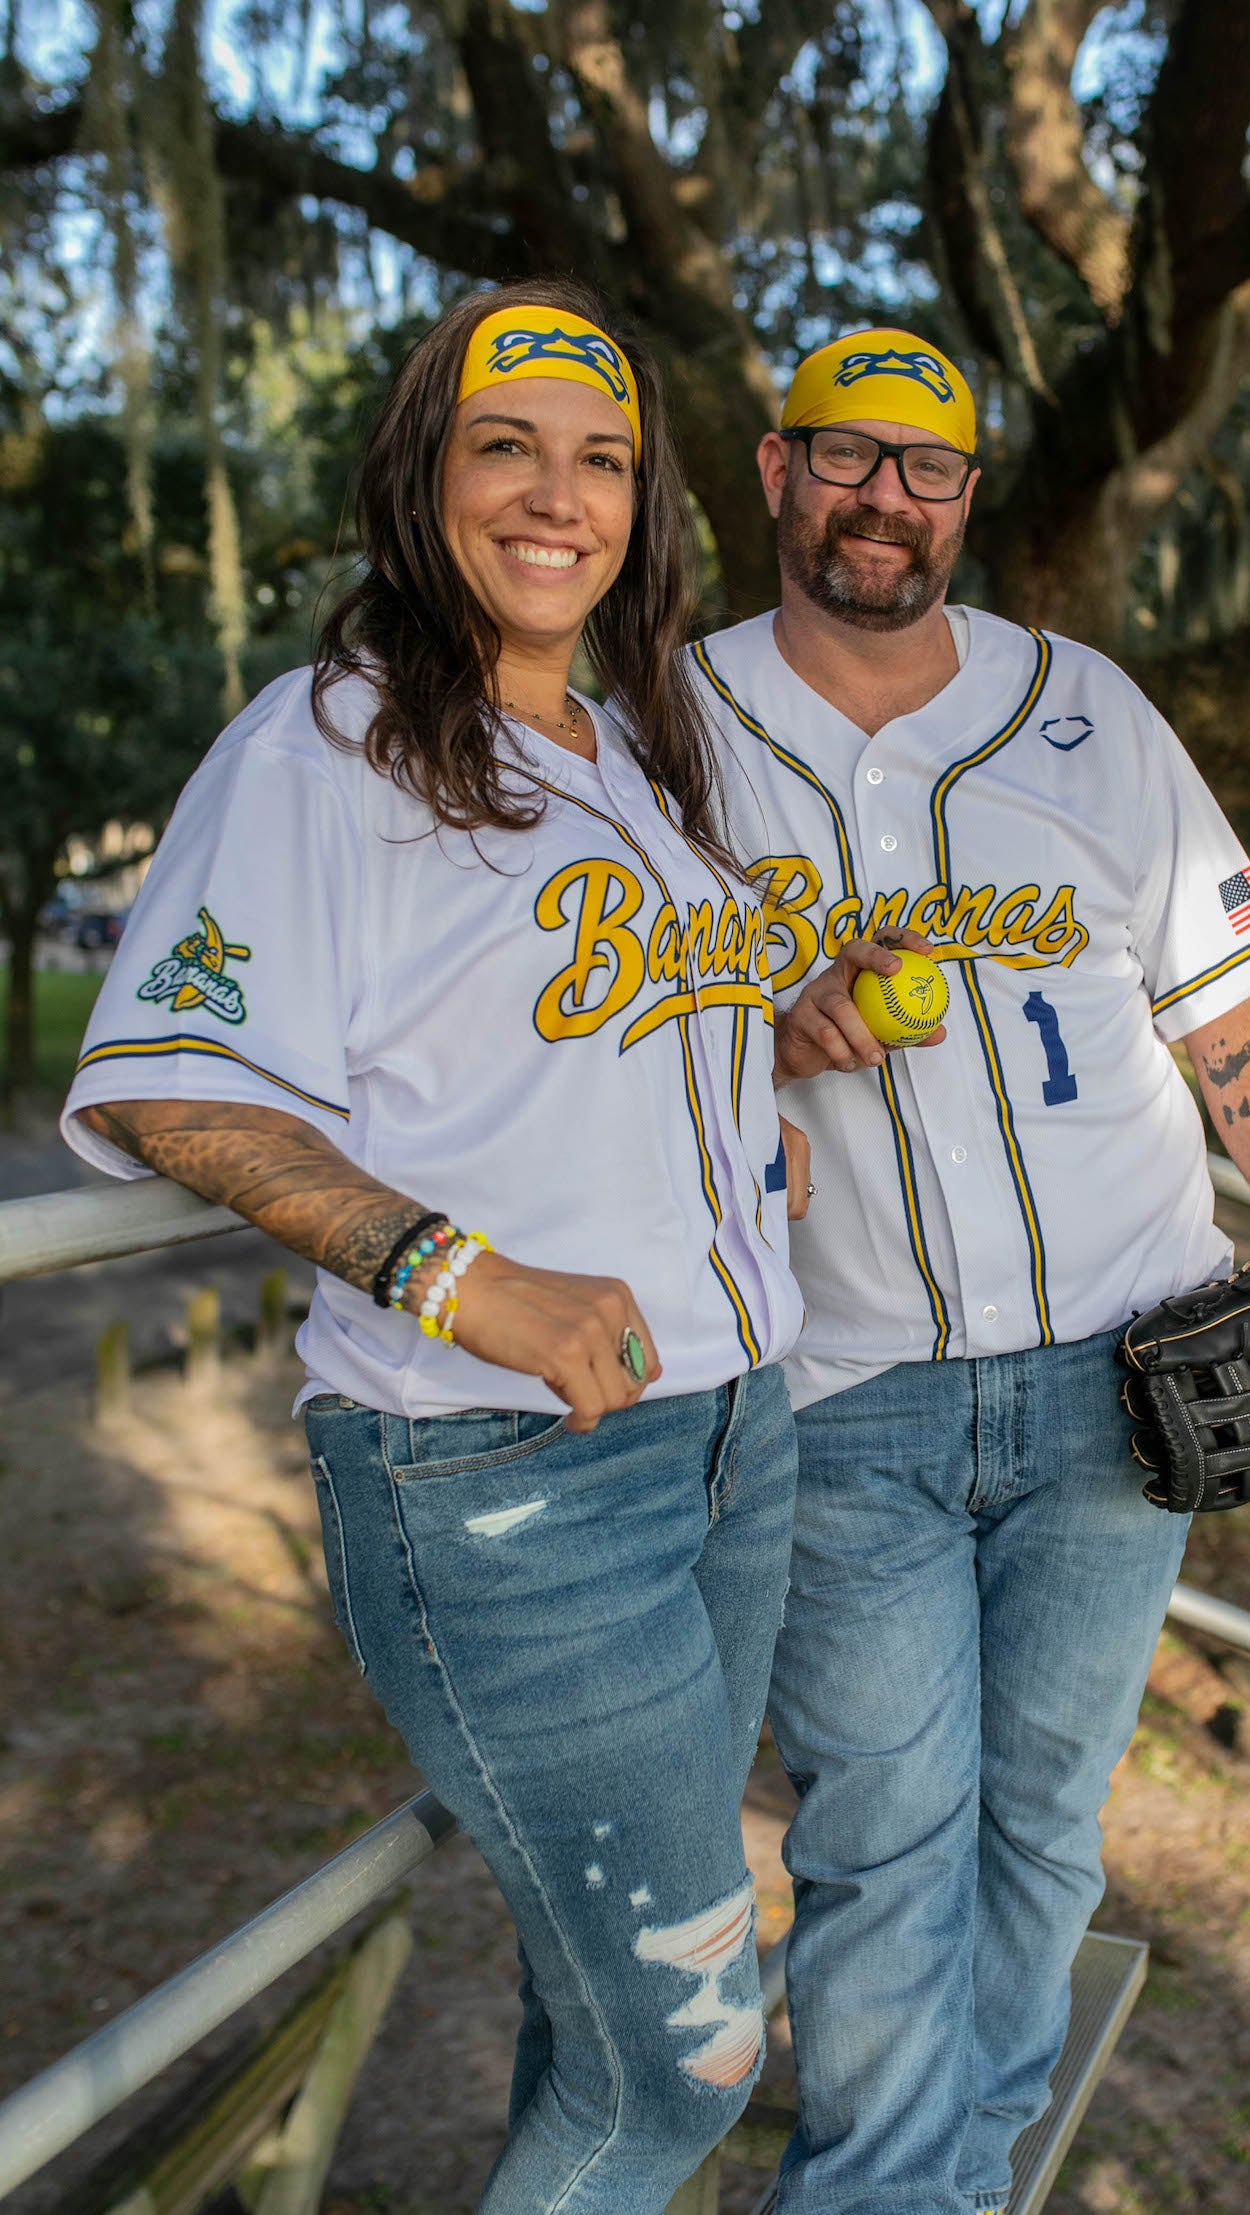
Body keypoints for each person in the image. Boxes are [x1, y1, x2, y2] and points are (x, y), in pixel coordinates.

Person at [61, 280, 811, 2214]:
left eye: (603, 461)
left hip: (730, 1441)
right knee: (685, 2063)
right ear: (422, 475)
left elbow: (566, 1040)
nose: (558, 497)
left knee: (608, 2024)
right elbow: (176, 1086)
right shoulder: (328, 749)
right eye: (507, 446)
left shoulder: (636, 754)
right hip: (504, 1486)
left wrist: (748, 1103)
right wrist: (461, 1275)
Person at [695, 328, 1250, 2215]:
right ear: (773, 470)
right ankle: (886, 2192)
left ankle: (960, 2166)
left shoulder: (1087, 708)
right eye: (845, 458)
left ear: (966, 500)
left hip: (1120, 1367)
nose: (882, 498)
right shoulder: (661, 732)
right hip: (843, 1385)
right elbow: (595, 1048)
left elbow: (1225, 1005)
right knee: (883, 1830)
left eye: (924, 469)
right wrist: (756, 1039)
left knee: (1042, 1821)